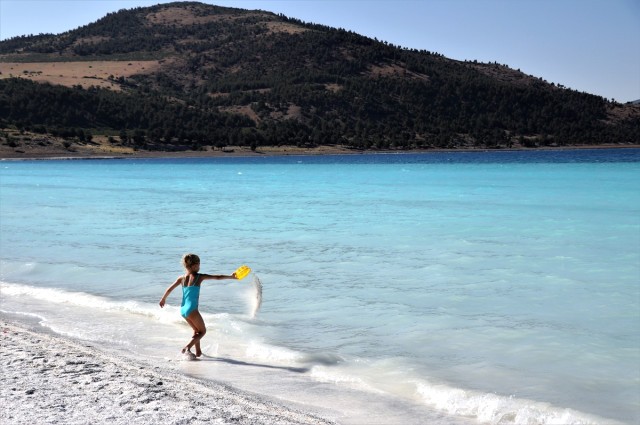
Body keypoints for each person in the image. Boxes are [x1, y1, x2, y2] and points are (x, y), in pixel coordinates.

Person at [159, 253, 237, 358]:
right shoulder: (199, 277)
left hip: (183, 309)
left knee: (196, 331)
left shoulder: (181, 278)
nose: (199, 266)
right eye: (199, 264)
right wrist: (231, 277)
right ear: (194, 266)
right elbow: (217, 277)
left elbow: (169, 289)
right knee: (203, 331)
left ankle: (198, 352)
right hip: (192, 309)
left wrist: (163, 299)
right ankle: (187, 348)